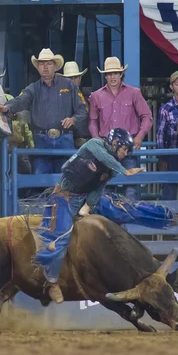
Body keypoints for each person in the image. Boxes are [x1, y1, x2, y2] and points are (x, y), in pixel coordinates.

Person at [34, 128, 144, 303]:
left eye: (127, 151)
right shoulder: (94, 145)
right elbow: (104, 158)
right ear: (114, 143)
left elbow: (99, 187)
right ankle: (51, 282)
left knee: (117, 217)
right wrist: (125, 170)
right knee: (60, 239)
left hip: (83, 199)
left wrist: (87, 207)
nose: (124, 153)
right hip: (63, 197)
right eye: (123, 149)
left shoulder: (113, 167)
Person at [0, 48, 87, 174]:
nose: (45, 67)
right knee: (40, 176)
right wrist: (7, 107)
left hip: (65, 138)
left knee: (66, 179)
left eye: (49, 63)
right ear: (37, 67)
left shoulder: (69, 85)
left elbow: (82, 110)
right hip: (41, 139)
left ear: (55, 66)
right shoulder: (33, 89)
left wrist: (73, 119)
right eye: (42, 64)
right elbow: (21, 100)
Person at [88, 57, 153, 201]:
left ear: (121, 74)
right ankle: (108, 222)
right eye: (109, 74)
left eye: (115, 73)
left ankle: (129, 221)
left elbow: (147, 116)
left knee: (130, 188)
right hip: (106, 149)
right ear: (105, 75)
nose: (112, 77)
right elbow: (92, 121)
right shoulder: (96, 96)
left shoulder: (134, 93)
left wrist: (140, 136)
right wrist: (96, 139)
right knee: (106, 187)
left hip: (128, 148)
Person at [156, 71, 178, 200]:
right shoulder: (166, 108)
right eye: (177, 84)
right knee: (170, 189)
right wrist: (162, 158)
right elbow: (160, 135)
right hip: (174, 154)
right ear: (172, 87)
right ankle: (168, 216)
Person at [58, 61, 91, 147]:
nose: (73, 81)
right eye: (69, 78)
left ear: (80, 78)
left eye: (75, 77)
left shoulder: (89, 97)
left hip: (85, 140)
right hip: (64, 140)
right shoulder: (57, 98)